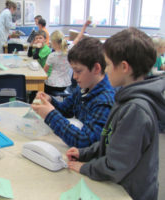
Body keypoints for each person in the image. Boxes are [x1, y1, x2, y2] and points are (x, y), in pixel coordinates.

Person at [66, 28, 165, 200]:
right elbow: (110, 140)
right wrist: (84, 153)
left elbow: (115, 165)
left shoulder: (136, 109)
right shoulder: (126, 97)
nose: (106, 69)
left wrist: (84, 167)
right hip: (121, 186)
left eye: (109, 64)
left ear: (124, 67)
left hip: (129, 193)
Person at [31, 37, 115, 148]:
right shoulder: (85, 87)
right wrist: (50, 100)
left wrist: (50, 114)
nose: (74, 77)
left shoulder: (104, 101)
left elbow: (85, 141)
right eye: (73, 70)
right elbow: (66, 110)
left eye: (78, 71)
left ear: (96, 69)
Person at [43, 30, 72, 95]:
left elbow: (44, 72)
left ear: (53, 42)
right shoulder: (69, 52)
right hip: (65, 85)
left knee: (37, 88)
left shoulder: (52, 55)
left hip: (52, 85)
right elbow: (77, 40)